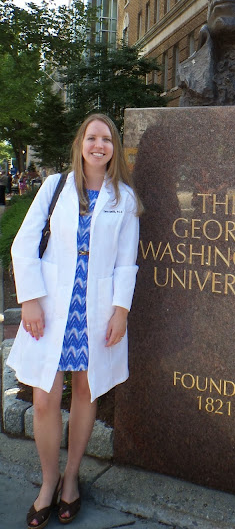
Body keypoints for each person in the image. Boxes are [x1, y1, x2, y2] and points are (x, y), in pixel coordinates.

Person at [7, 113, 141, 528]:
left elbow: (126, 262)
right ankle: (48, 482)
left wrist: (121, 312)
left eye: (107, 139)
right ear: (80, 144)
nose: (99, 145)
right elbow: (24, 244)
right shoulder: (55, 187)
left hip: (94, 310)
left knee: (85, 390)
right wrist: (30, 301)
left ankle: (70, 480)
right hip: (50, 308)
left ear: (114, 148)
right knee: (44, 399)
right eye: (92, 137)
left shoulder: (125, 199)